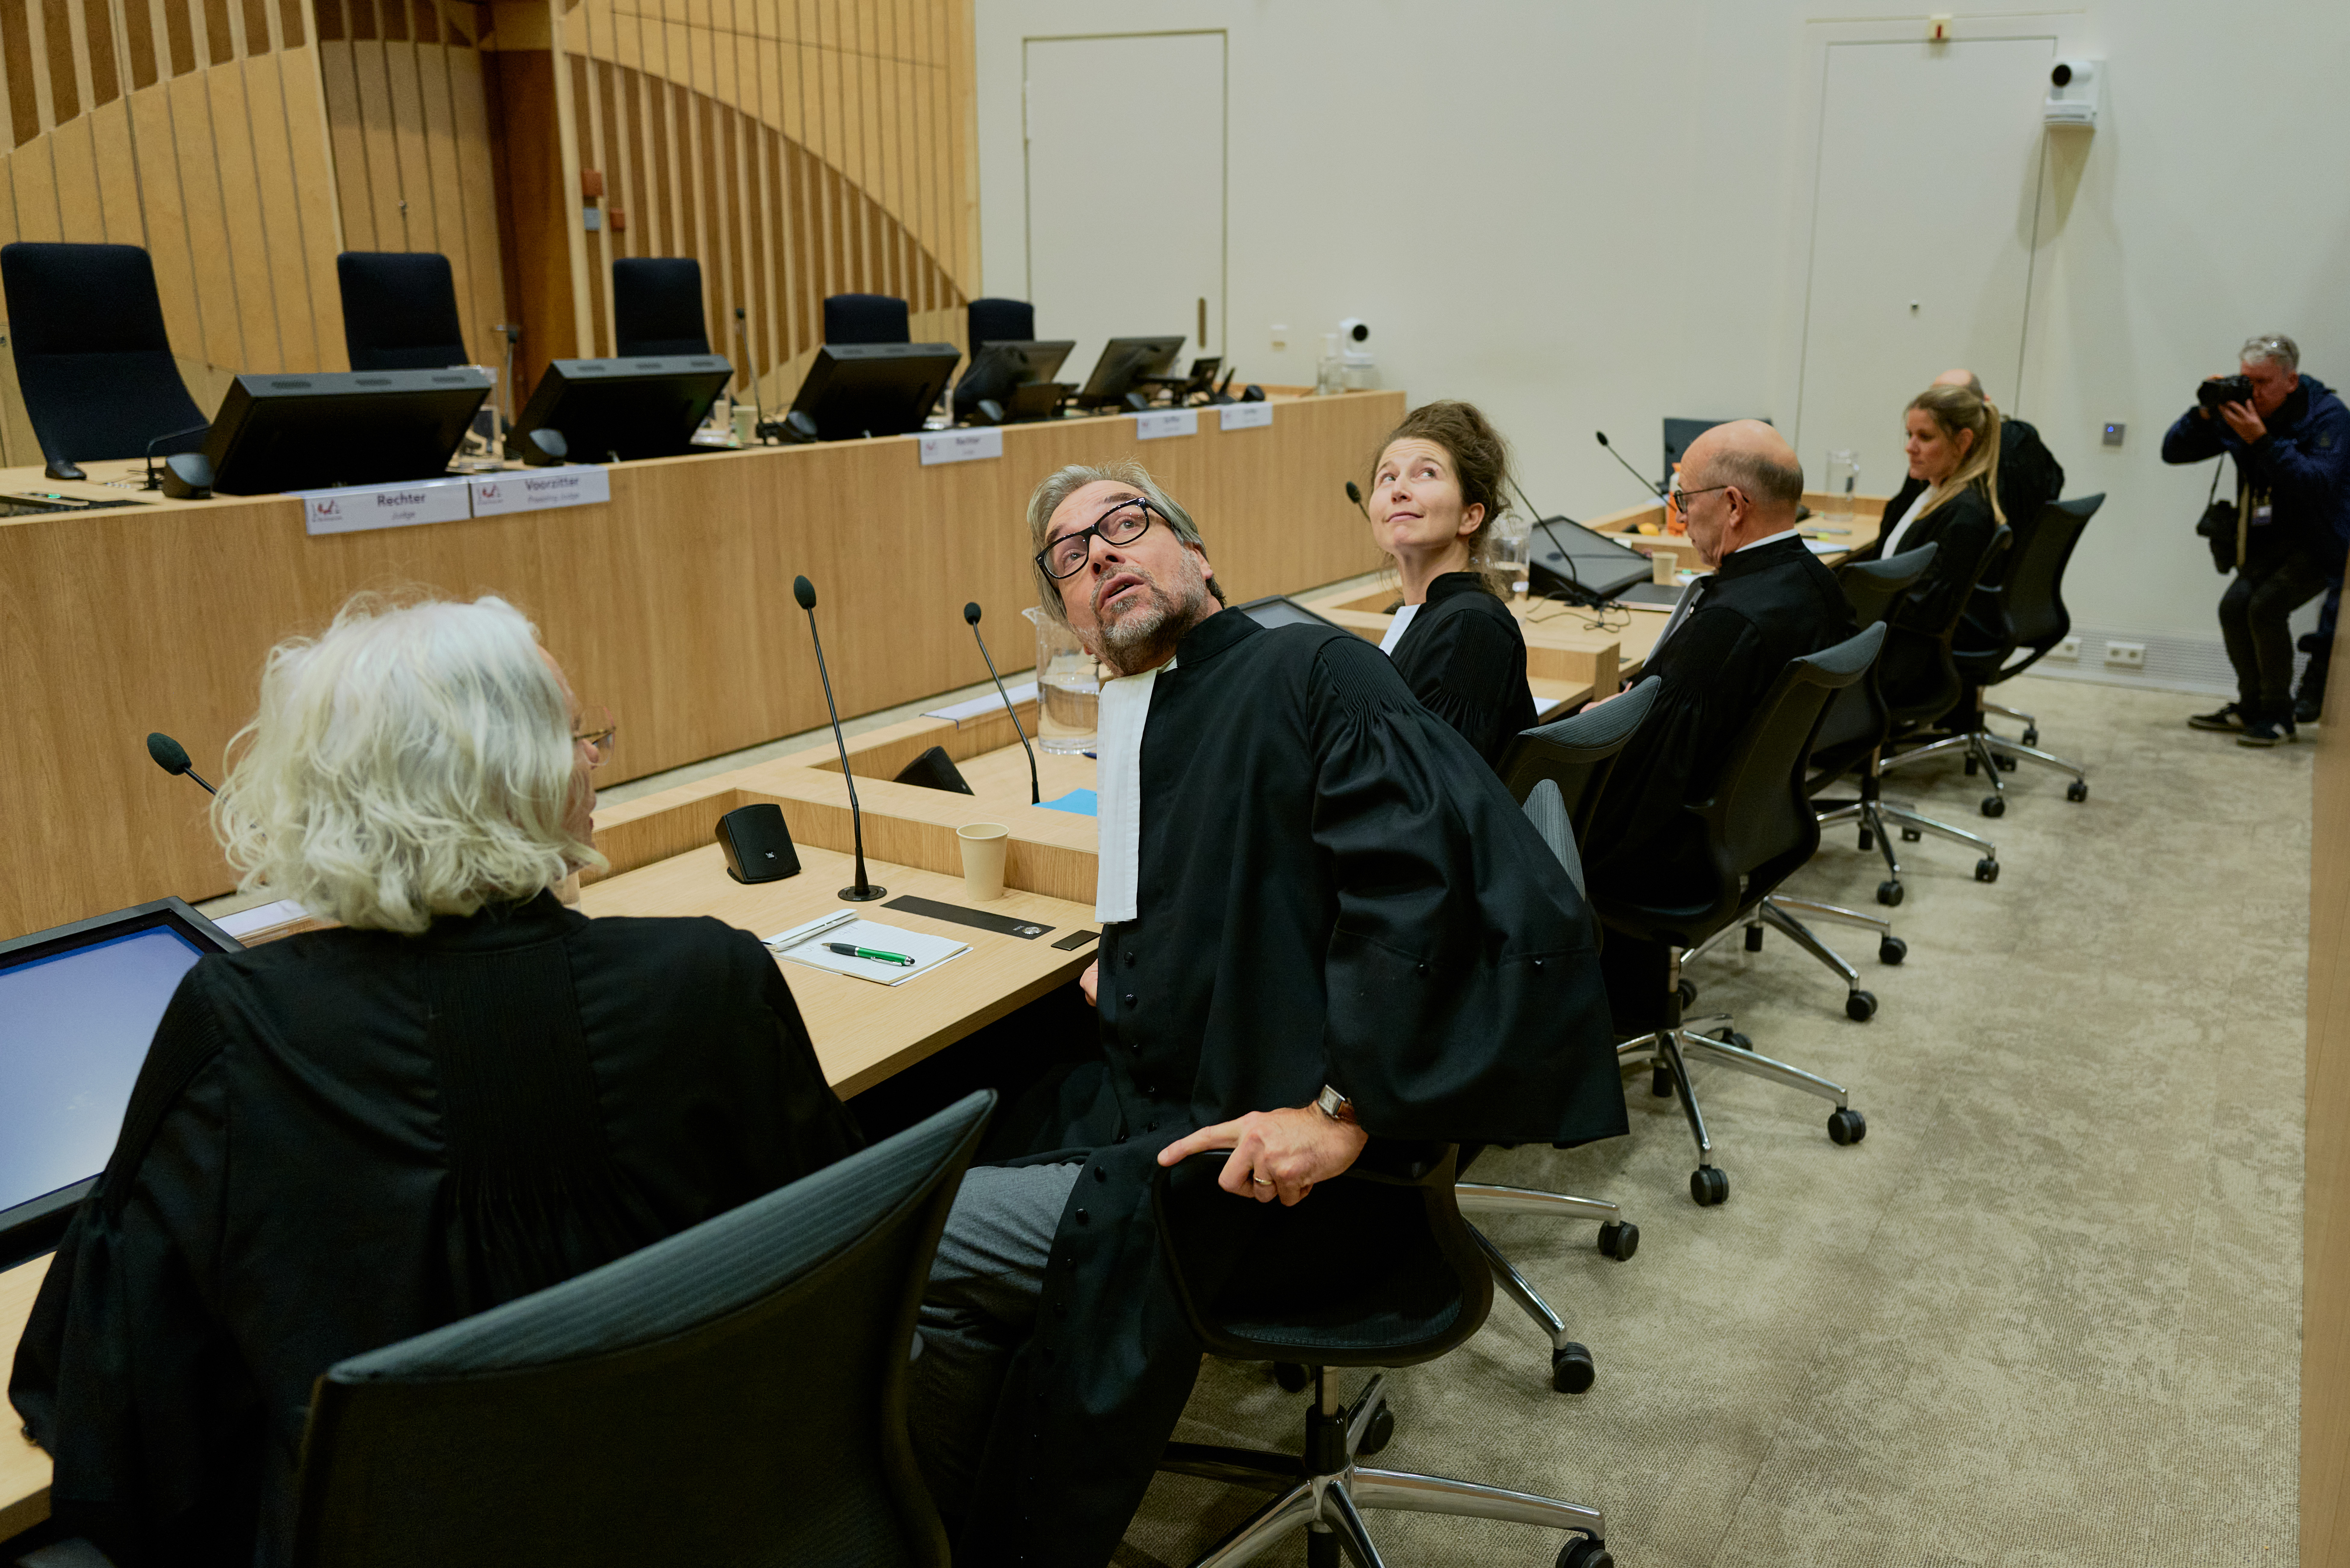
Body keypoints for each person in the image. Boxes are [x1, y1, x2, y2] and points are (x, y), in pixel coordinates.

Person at [9, 595, 862, 1568]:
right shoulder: (710, 976)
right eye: (574, 735)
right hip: (713, 1516)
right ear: (510, 776)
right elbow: (827, 1278)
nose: (593, 758)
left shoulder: (242, 1023)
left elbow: (113, 1389)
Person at [905, 460, 1626, 1567]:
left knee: (903, 1244)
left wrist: (1344, 1107)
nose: (1097, 554)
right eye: (1068, 555)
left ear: (1196, 556)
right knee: (945, 1110)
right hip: (1187, 1091)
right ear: (1067, 622)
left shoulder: (1308, 668)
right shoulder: (1150, 706)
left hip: (1291, 1176)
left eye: (1124, 526)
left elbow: (1429, 901)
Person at [1579, 421, 1856, 1032]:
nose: (1677, 520)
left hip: (1669, 853)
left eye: (1683, 500)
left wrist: (1598, 734)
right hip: (1749, 832)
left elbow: (1644, 783)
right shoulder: (1814, 584)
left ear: (1732, 506)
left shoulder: (1728, 624)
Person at [2162, 333, 2350, 745]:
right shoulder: (2240, 411)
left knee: (2265, 608)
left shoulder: (2328, 416)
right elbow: (2172, 452)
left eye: (2263, 382)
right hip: (2270, 539)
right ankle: (2250, 709)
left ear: (2291, 381)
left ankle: (2277, 715)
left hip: (2323, 540)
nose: (2254, 391)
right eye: (2247, 379)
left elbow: (2317, 483)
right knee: (2233, 608)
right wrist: (2203, 415)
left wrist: (2261, 441)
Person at [1362, 400, 1537, 767]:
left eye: (1426, 473)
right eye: (1387, 477)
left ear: (1469, 516)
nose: (1399, 490)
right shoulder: (1425, 617)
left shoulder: (1470, 627)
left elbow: (1428, 786)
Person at [1843, 381, 2007, 648]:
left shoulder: (1965, 515)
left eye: (1926, 437)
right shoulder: (1932, 491)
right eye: (1910, 435)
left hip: (1904, 654)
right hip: (1887, 633)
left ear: (1963, 442)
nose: (1911, 447)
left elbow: (1928, 610)